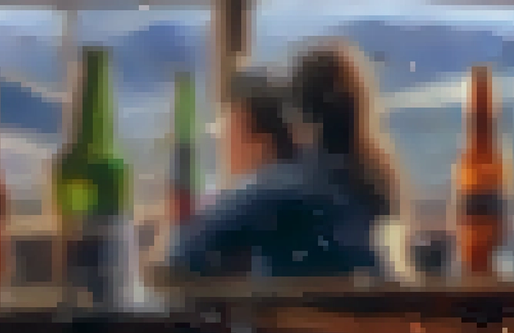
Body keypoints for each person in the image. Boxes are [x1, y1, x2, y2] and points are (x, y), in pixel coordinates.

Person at [169, 46, 406, 282]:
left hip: (299, 320)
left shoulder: (280, 191)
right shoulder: (370, 185)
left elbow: (182, 256)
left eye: (228, 133)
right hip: (374, 318)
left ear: (295, 116)